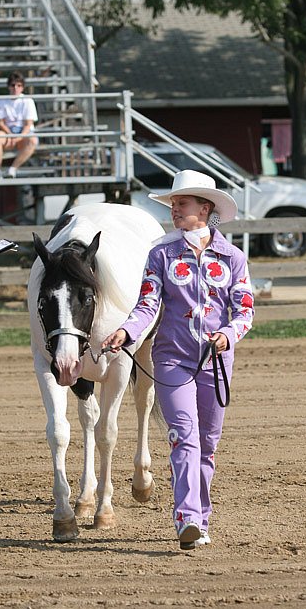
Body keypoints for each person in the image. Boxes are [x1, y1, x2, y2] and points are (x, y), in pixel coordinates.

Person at [102, 170, 254, 550]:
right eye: (172, 204)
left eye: (181, 204)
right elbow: (148, 303)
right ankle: (187, 518)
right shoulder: (160, 255)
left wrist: (227, 335)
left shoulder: (232, 258)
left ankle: (201, 517)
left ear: (205, 208)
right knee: (183, 435)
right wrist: (127, 332)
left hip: (216, 361)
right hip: (172, 359)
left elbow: (245, 311)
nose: (174, 210)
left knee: (208, 443)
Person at [0, 71, 38, 179]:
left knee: (33, 140)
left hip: (23, 133)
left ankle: (13, 168)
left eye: (19, 85)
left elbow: (28, 124)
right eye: (13, 85)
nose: (15, 88)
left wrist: (19, 137)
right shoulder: (2, 101)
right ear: (8, 86)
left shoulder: (28, 101)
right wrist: (10, 135)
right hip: (7, 133)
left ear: (22, 87)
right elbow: (1, 123)